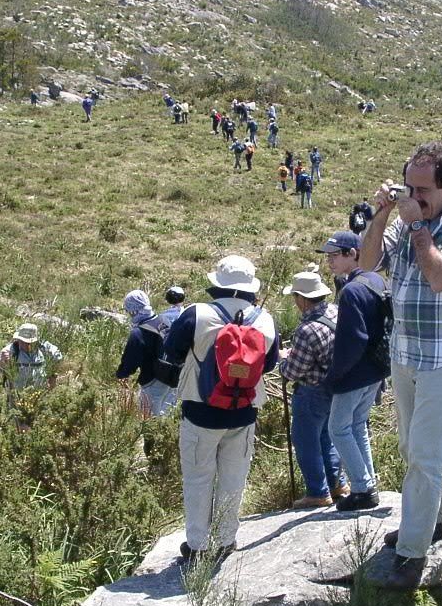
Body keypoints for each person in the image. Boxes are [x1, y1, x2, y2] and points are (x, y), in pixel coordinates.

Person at [359, 141, 442, 590]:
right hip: (406, 352)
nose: (414, 198)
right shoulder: (407, 220)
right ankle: (430, 522)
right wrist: (382, 215)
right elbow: (366, 263)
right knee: (409, 447)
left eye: (422, 190)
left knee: (427, 456)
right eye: (408, 188)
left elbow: (440, 277)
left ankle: (412, 553)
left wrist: (417, 226)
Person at [163, 256, 280, 568]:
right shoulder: (265, 320)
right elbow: (269, 364)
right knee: (233, 478)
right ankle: (226, 539)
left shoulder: (196, 314)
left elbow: (171, 351)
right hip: (244, 410)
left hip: (200, 409)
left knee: (198, 478)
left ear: (217, 283)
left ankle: (197, 545)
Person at [316, 232, 389, 512]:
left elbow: (353, 340)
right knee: (357, 426)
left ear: (353, 253)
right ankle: (368, 484)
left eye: (335, 255)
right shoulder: (377, 280)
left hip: (355, 372)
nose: (330, 261)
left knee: (338, 429)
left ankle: (362, 488)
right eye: (329, 256)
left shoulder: (351, 291)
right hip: (377, 368)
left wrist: (334, 376)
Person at [279, 271, 349, 508]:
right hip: (337, 386)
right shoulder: (336, 312)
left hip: (312, 390)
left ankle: (318, 492)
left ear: (302, 298)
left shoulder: (307, 329)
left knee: (305, 440)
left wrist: (283, 362)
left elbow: (293, 372)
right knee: (327, 437)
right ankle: (337, 484)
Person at [116, 290, 176, 420]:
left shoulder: (138, 333)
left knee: (147, 420)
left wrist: (122, 374)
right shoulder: (163, 321)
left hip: (152, 381)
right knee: (166, 417)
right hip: (172, 378)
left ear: (133, 311)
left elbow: (130, 361)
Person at [0, 322, 63, 427]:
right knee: (19, 428)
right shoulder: (11, 350)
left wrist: (52, 375)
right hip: (17, 401)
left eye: (29, 342)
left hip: (40, 398)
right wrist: (1, 361)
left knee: (40, 427)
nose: (25, 345)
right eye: (22, 341)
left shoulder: (44, 348)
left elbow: (58, 358)